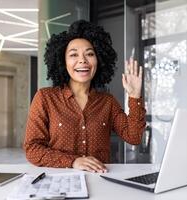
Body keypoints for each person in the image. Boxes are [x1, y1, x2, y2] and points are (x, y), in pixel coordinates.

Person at [23, 20, 146, 173]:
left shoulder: (107, 102)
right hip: (60, 183)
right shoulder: (45, 98)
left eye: (89, 54)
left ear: (98, 60)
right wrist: (73, 161)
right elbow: (32, 149)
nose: (82, 60)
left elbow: (134, 137)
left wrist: (135, 96)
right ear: (63, 61)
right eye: (73, 54)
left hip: (101, 182)